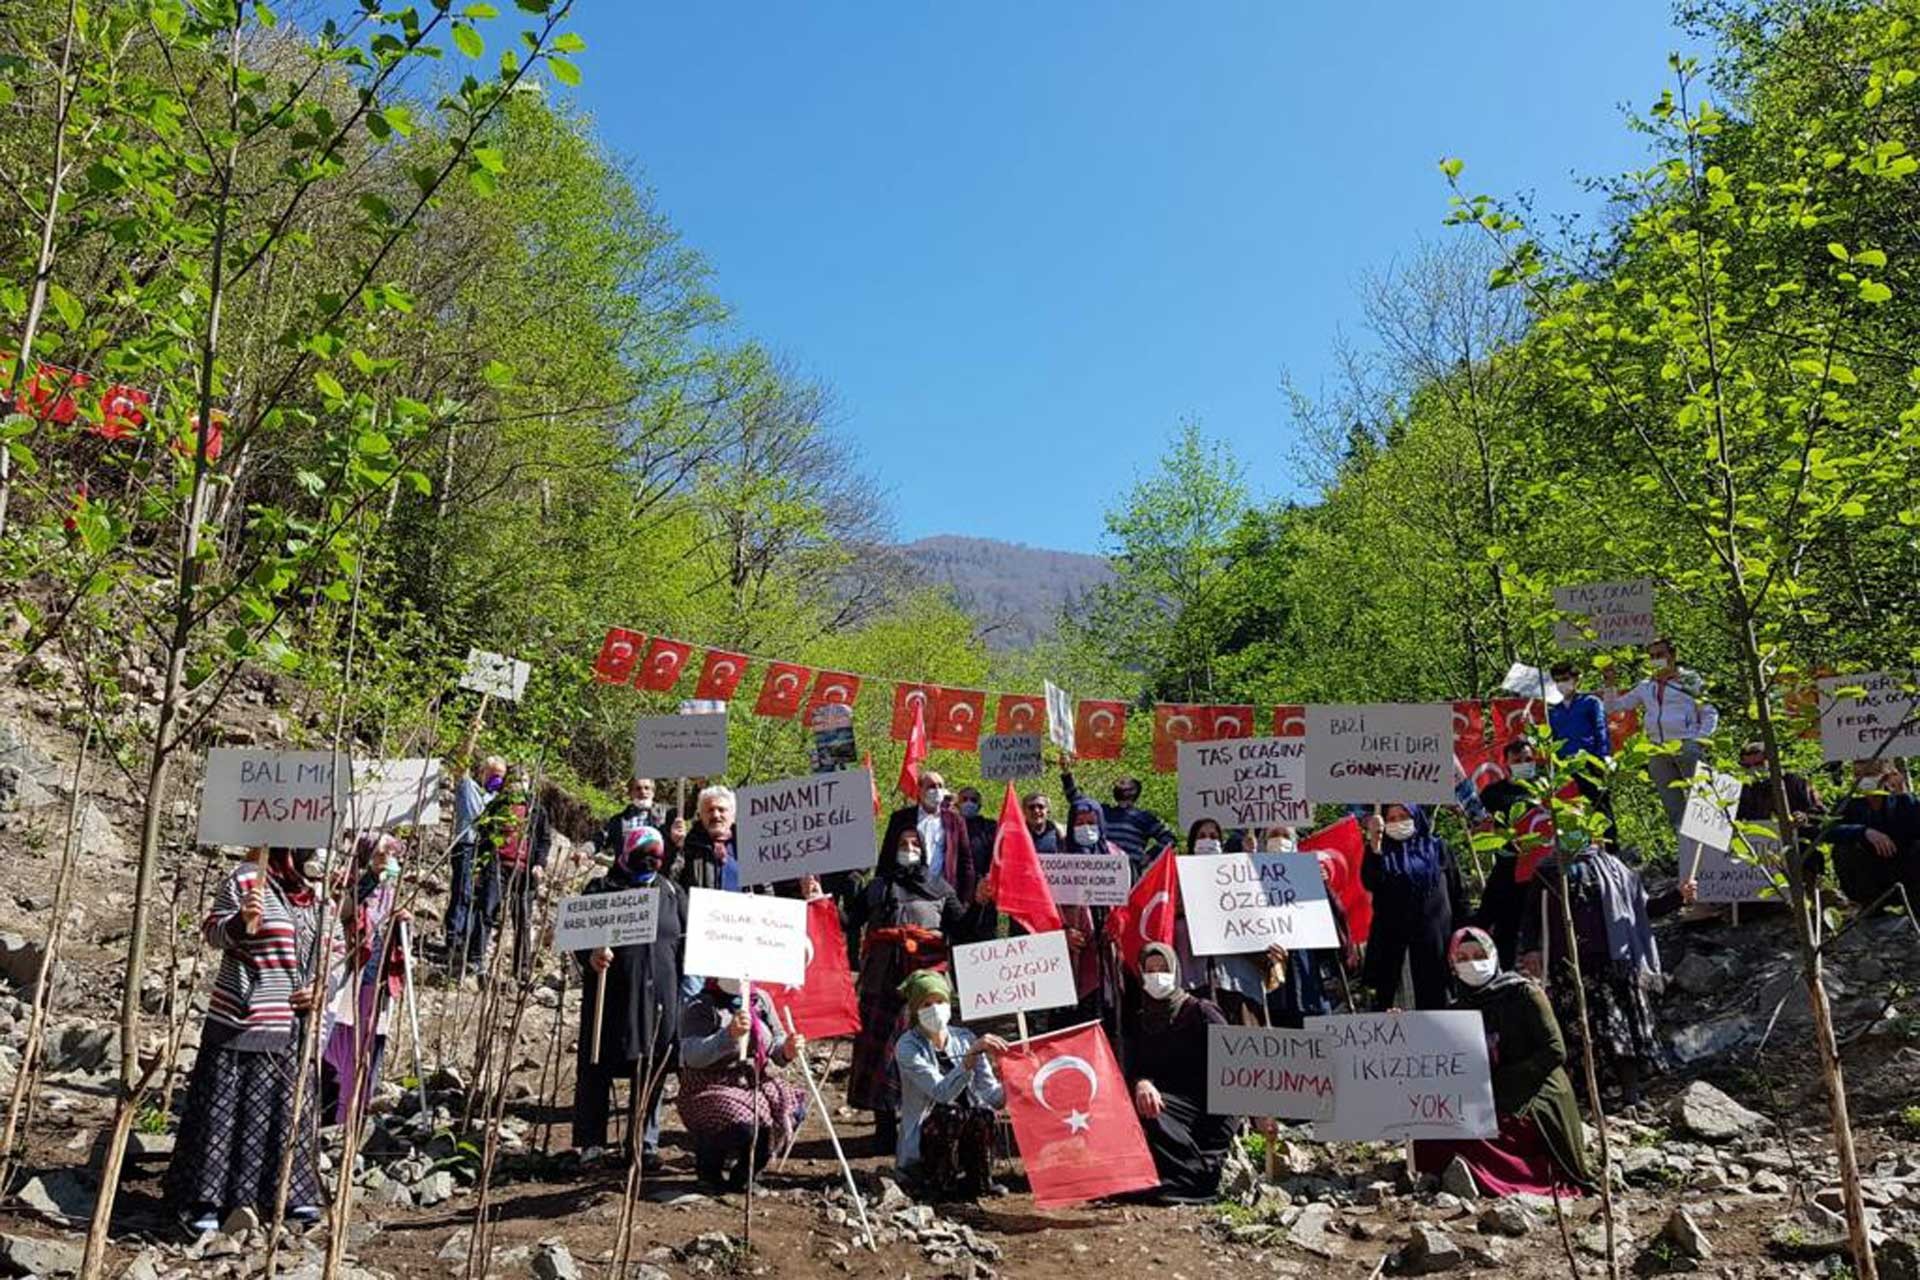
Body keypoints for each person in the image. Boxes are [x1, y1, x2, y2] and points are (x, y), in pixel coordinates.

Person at [165, 849, 337, 1233]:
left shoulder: (320, 893)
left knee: (286, 1109)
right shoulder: (245, 879)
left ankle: (287, 1197)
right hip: (243, 1019)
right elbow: (212, 931)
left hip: (295, 1027)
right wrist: (242, 922)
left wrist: (322, 986)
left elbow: (336, 950)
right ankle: (207, 1199)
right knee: (227, 1110)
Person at [1412, 928, 1596, 1197]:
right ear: (1452, 965)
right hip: (1484, 1094)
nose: (1472, 963)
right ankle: (1448, 1176)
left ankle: (1506, 1179)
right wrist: (1400, 1026)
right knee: (1435, 1129)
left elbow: (1554, 1051)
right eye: (1462, 958)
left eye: (1479, 954)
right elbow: (1437, 1056)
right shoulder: (1457, 1009)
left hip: (1533, 1091)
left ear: (1494, 955)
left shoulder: (1524, 993)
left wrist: (1503, 1082)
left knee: (1487, 1134)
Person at [1518, 831, 1665, 1105]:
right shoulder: (1547, 872)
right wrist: (1531, 949)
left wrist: (1679, 896)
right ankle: (1591, 1097)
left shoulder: (1614, 867)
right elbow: (1531, 918)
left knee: (1620, 1030)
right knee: (1581, 1034)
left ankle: (1631, 1093)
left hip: (1614, 965)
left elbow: (1641, 908)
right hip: (1569, 967)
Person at [846, 825, 969, 1148]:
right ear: (891, 847)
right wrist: (815, 893)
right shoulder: (875, 888)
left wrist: (983, 901)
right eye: (903, 843)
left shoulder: (940, 887)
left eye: (915, 843)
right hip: (880, 983)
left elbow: (966, 928)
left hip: (926, 987)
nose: (909, 847)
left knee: (929, 1051)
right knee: (880, 1056)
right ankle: (884, 1129)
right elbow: (847, 922)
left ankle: (928, 1126)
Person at [573, 825, 685, 1170]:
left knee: (651, 1065)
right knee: (597, 1063)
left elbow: (685, 941)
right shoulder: (600, 889)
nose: (650, 861)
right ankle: (591, 1143)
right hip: (611, 994)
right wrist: (589, 955)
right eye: (643, 854)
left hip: (659, 995)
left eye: (657, 856)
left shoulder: (671, 892)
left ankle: (642, 1142)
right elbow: (576, 935)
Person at [676, 977, 808, 1190]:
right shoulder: (700, 1005)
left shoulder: (760, 1000)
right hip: (709, 1083)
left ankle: (744, 1175)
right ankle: (709, 1169)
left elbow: (776, 1041)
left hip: (751, 1081)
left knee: (791, 1110)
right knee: (744, 1126)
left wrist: (787, 1049)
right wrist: (727, 1036)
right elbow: (692, 1055)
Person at [1127, 942, 1232, 1204]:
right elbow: (1140, 1066)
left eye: (1163, 968)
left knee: (1156, 1112)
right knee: (1143, 1105)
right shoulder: (1142, 1018)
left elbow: (1234, 1061)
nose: (1157, 975)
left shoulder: (1201, 1011)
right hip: (1171, 1103)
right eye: (1150, 970)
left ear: (1175, 971)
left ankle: (1195, 1177)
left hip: (1211, 1105)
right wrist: (1142, 1082)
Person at [893, 970, 1009, 1198]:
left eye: (940, 1001)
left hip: (966, 1124)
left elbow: (992, 1096)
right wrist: (969, 1059)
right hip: (930, 1131)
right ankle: (937, 1182)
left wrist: (1017, 1079)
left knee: (982, 1114)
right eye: (926, 1004)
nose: (934, 1009)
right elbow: (941, 1093)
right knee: (951, 1114)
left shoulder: (964, 1038)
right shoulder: (907, 1047)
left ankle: (979, 1180)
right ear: (915, 1010)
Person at [321, 832, 405, 1126]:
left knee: (370, 1042)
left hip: (376, 980)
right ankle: (337, 1112)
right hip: (350, 979)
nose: (389, 859)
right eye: (383, 853)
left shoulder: (389, 890)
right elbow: (344, 911)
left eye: (392, 854)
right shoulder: (347, 884)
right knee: (341, 1042)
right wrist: (371, 875)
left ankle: (358, 1109)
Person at [1605, 638, 1720, 832]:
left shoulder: (1689, 680)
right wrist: (1610, 683)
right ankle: (1684, 848)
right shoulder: (1646, 686)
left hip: (1687, 744)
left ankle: (1711, 847)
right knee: (1672, 804)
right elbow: (1613, 707)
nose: (1656, 660)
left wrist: (1699, 740)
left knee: (1702, 799)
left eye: (1660, 655)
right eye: (1652, 656)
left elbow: (1709, 711)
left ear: (1673, 655)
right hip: (1657, 749)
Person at [1171, 818, 1277, 1027]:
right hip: (1194, 975)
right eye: (1201, 836)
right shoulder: (1177, 875)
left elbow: (1258, 907)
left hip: (1235, 977)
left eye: (1213, 836)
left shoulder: (1237, 874)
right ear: (1192, 843)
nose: (1207, 841)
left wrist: (1252, 857)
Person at [1359, 805, 1465, 1011]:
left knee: (1439, 1007)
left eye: (1404, 816)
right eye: (1392, 818)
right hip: (1397, 950)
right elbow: (1370, 882)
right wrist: (1375, 844)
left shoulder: (1438, 848)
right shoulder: (1378, 851)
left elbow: (1457, 894)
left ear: (1416, 817)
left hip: (1437, 947)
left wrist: (1465, 934)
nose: (1398, 822)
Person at [474, 767, 551, 983]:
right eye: (515, 779)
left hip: (524, 871)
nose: (519, 783)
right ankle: (476, 960)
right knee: (486, 911)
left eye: (523, 779)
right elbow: (482, 835)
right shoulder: (497, 806)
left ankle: (522, 969)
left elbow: (544, 840)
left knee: (523, 920)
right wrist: (479, 867)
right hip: (497, 865)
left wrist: (539, 864)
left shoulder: (537, 809)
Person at [1475, 739, 1544, 967]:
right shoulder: (1493, 794)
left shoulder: (1547, 789)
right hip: (1508, 868)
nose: (1524, 764)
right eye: (1518, 761)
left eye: (1528, 759)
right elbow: (1477, 826)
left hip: (1543, 871)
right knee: (1503, 924)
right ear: (1506, 763)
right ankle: (1504, 974)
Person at [1822, 760, 1920, 911]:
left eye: (1869, 774)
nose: (1862, 779)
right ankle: (1870, 906)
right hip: (1869, 873)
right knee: (1844, 849)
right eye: (1857, 775)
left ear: (1886, 776)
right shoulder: (1849, 804)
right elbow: (1827, 831)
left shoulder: (1903, 801)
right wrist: (1863, 832)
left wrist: (1902, 794)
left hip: (1904, 870)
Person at [447, 754, 505, 973]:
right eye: (494, 775)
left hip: (484, 850)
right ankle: (454, 938)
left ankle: (466, 938)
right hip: (465, 845)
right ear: (484, 773)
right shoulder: (469, 787)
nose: (497, 780)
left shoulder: (496, 798)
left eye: (500, 777)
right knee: (461, 891)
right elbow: (460, 768)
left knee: (475, 897)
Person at [880, 771, 977, 902]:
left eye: (940, 786)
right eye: (931, 786)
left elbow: (966, 862)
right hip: (907, 894)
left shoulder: (955, 821)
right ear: (919, 790)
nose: (937, 790)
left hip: (942, 893)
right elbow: (887, 856)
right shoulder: (900, 818)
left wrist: (966, 900)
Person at [1061, 766, 1176, 875]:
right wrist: (1066, 773)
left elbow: (1169, 838)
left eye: (1125, 783)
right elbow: (1077, 800)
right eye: (1119, 783)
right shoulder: (1103, 811)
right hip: (1103, 867)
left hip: (1129, 869)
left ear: (1134, 790)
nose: (1120, 785)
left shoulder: (1145, 817)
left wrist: (1148, 856)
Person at [952, 784, 1001, 943]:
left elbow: (999, 856)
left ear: (979, 805)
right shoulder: (948, 827)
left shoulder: (989, 827)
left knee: (985, 939)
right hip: (956, 894)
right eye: (964, 799)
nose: (968, 802)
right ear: (957, 803)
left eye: (973, 800)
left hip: (984, 893)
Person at [677, 785, 742, 893]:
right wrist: (675, 848)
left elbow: (764, 888)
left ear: (733, 815)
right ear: (701, 815)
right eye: (710, 810)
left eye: (721, 810)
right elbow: (673, 881)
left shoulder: (747, 847)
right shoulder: (688, 845)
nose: (716, 815)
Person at [600, 778, 673, 869]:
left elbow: (688, 811)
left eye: (647, 788)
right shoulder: (618, 820)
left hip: (657, 872)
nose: (643, 792)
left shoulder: (666, 814)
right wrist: (586, 850)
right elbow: (601, 837)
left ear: (653, 792)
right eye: (638, 788)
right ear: (631, 793)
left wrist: (696, 788)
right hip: (625, 874)